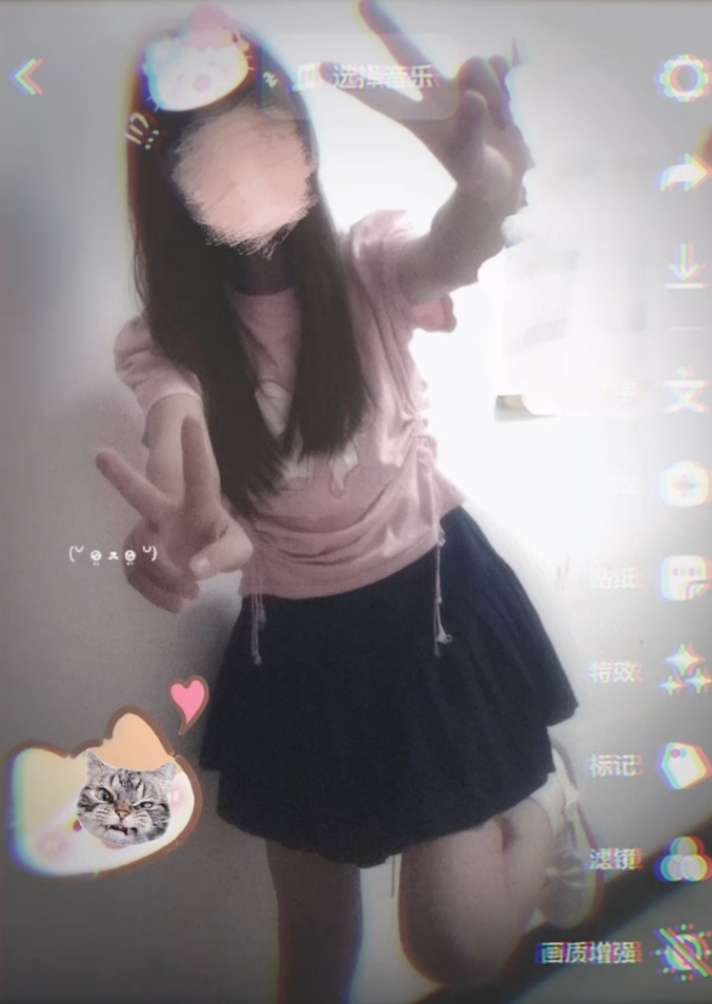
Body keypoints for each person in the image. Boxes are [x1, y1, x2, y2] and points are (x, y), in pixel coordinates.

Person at [96, 3, 603, 1001]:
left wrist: (483, 181)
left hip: (432, 609)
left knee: (455, 946)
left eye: (261, 133)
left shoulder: (369, 263)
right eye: (204, 150)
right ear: (167, 180)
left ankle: (549, 807)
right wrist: (178, 543)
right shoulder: (165, 341)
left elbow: (452, 250)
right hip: (297, 644)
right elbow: (178, 441)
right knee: (314, 951)